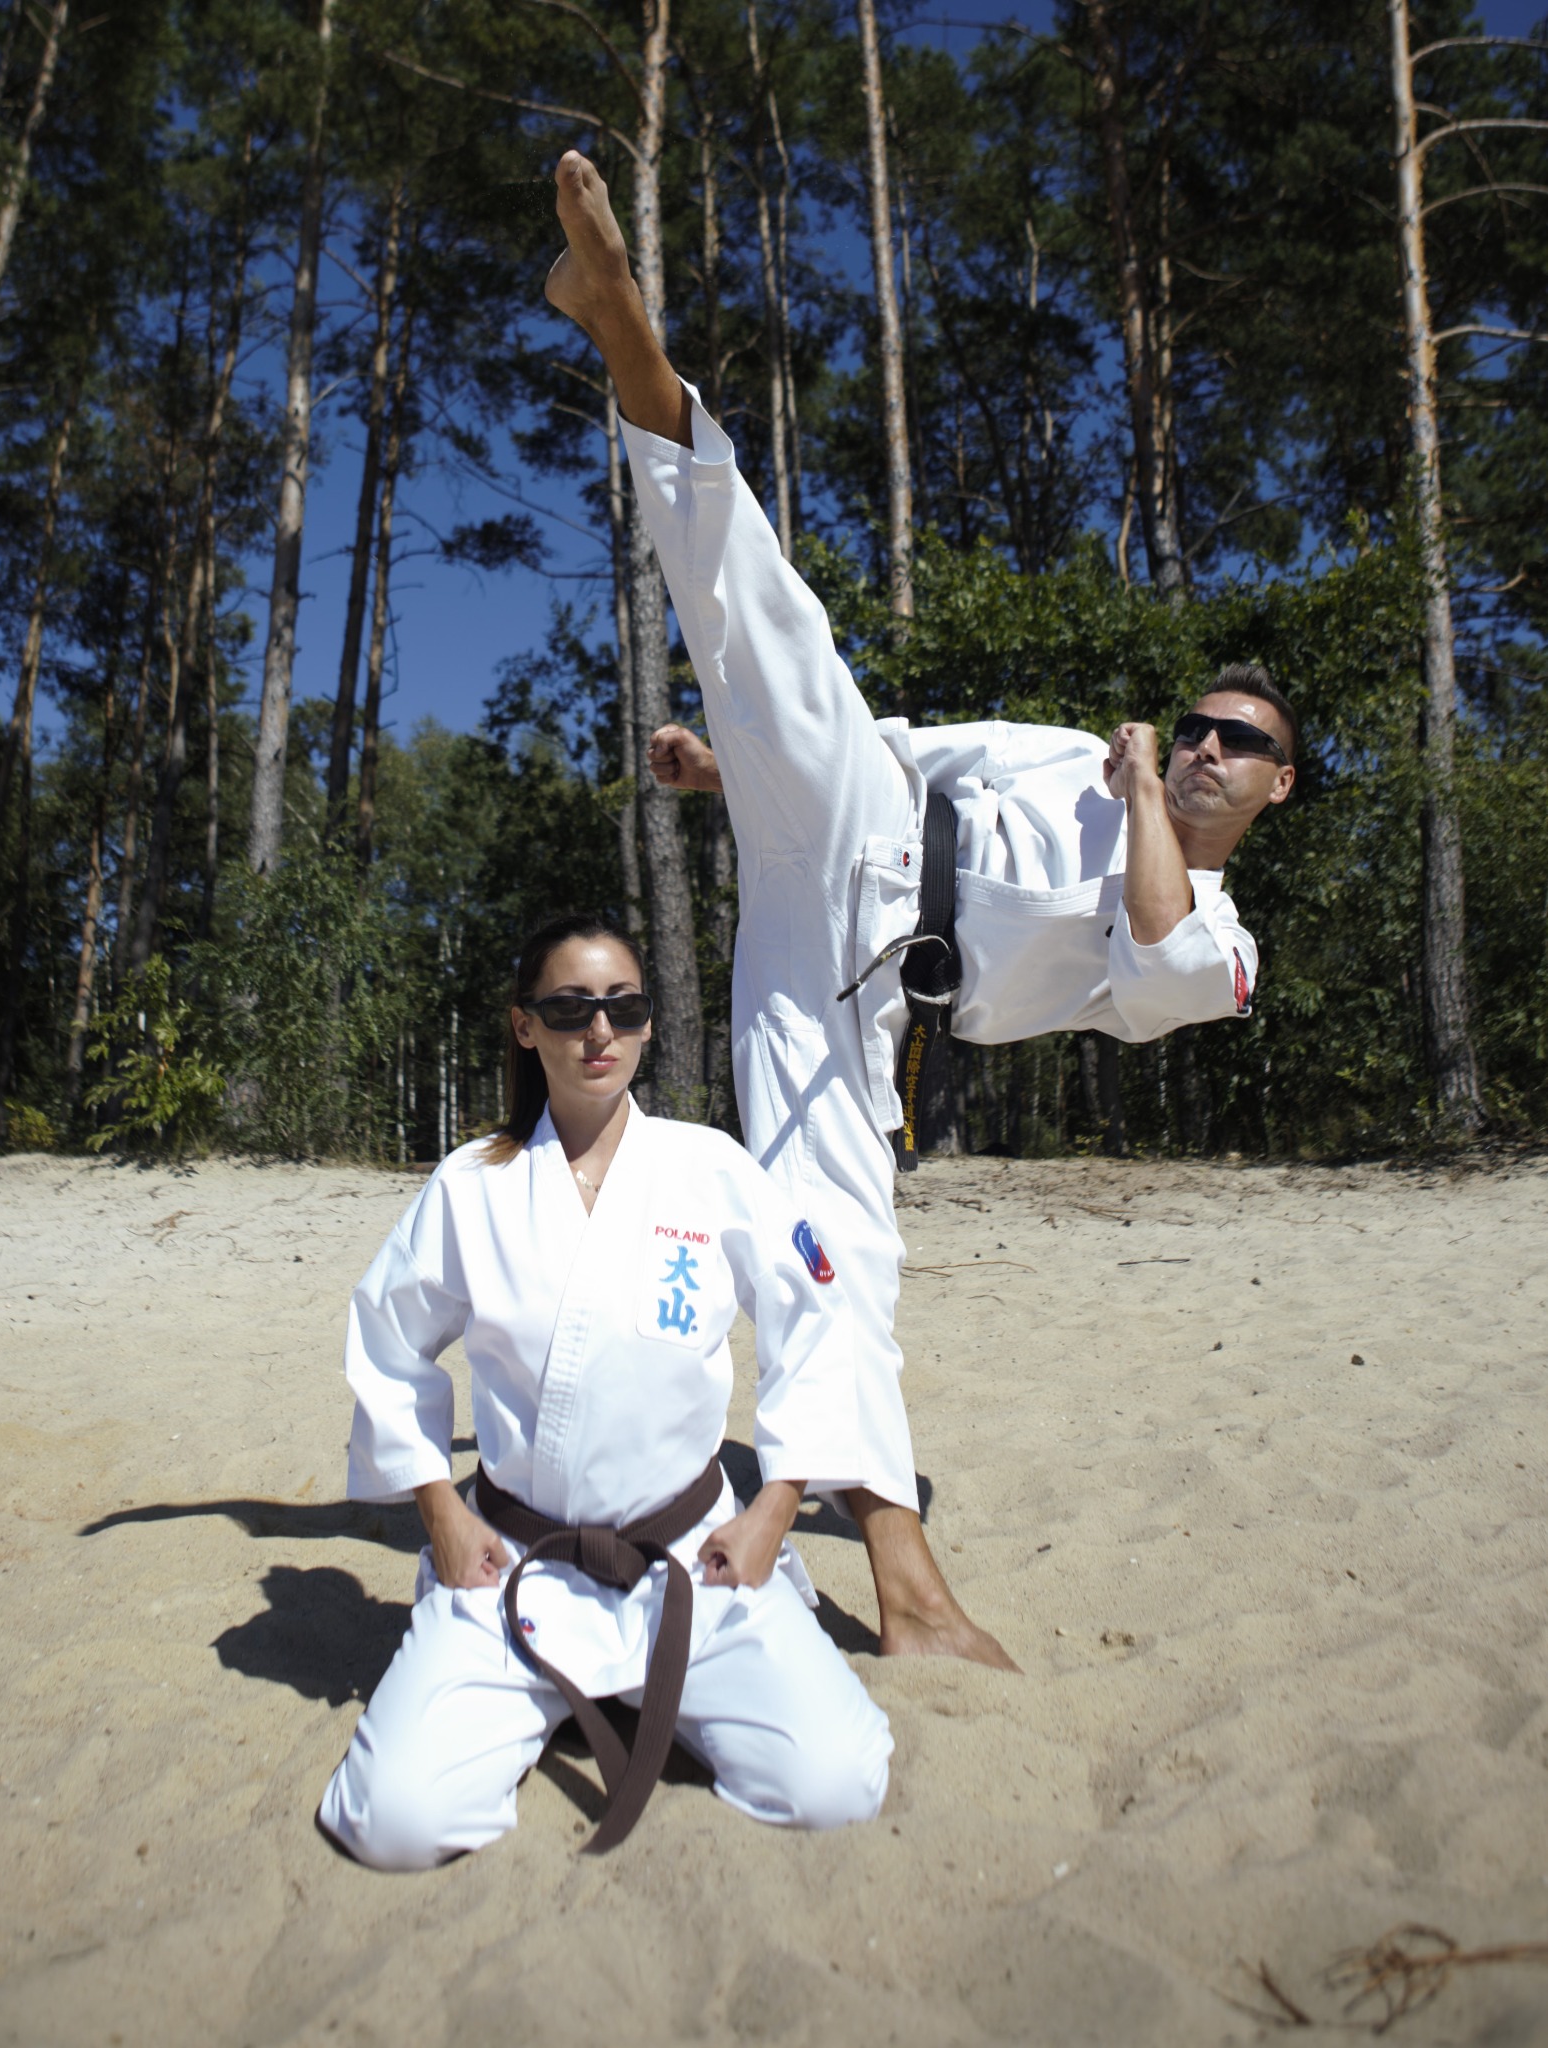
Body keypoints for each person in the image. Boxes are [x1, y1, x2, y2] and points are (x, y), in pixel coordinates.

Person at [543, 151, 1297, 1671]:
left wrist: (1145, 786)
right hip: (854, 821)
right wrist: (733, 766)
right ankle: (625, 337)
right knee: (769, 620)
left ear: (1278, 789)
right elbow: (885, 741)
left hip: (866, 997)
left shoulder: (1223, 946)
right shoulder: (1061, 756)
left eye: (1244, 744)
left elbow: (1150, 957)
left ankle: (902, 1582)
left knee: (838, 1254)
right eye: (1199, 725)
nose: (1209, 744)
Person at [318, 913, 893, 1869]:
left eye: (623, 1008)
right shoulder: (473, 1185)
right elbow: (387, 1343)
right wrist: (443, 1519)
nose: (599, 1031)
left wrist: (774, 1513)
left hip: (691, 1557)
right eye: (570, 1008)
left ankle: (614, 1697)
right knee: (395, 1823)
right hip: (518, 1564)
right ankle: (553, 1697)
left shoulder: (709, 1168)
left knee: (836, 1784)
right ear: (524, 1027)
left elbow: (817, 1321)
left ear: (648, 1025)